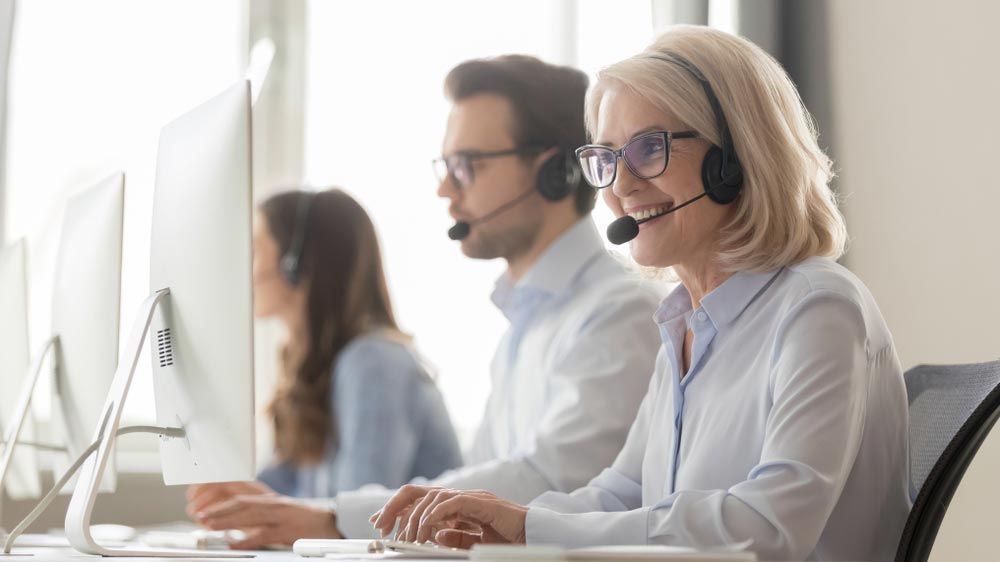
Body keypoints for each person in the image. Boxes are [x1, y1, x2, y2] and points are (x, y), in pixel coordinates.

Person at [372, 26, 911, 562]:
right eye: (606, 158)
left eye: (649, 148)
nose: (620, 185)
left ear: (735, 157)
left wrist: (532, 529)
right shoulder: (685, 322)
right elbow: (620, 494)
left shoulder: (818, 308)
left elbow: (768, 527)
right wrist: (502, 523)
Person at [186, 55, 664, 550]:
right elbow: (481, 483)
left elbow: (552, 479)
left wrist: (333, 517)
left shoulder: (619, 312)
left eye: (466, 166)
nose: (444, 189)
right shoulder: (524, 326)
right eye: (446, 166)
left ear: (556, 173)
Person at [206, 188, 463, 542]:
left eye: (254, 250)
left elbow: (364, 518)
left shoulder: (373, 362)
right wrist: (233, 496)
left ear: (296, 263)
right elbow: (281, 495)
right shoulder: (314, 368)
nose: (243, 268)